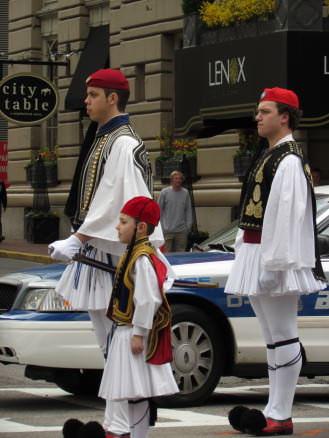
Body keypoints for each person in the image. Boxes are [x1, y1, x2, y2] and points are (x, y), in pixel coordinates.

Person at [48, 68, 164, 435]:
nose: (87, 101)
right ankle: (125, 425)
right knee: (112, 348)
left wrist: (79, 238)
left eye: (93, 94)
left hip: (114, 255)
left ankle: (122, 426)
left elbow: (125, 200)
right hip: (101, 251)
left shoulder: (123, 142)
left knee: (121, 348)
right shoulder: (105, 138)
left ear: (112, 98)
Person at [225, 87, 327, 436]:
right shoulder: (270, 156)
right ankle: (274, 408)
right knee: (272, 336)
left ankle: (280, 413)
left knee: (283, 334)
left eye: (265, 111)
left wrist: (276, 264)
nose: (258, 117)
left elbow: (287, 217)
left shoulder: (288, 160)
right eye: (258, 111)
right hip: (258, 254)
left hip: (272, 258)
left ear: (285, 117)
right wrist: (245, 250)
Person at [98, 196, 178, 438]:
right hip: (124, 330)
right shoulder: (133, 253)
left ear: (141, 227)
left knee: (138, 393)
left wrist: (139, 333)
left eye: (123, 222)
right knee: (133, 393)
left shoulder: (141, 257)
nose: (117, 227)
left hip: (132, 333)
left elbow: (147, 298)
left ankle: (138, 435)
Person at [158, 170, 193, 252]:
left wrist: (188, 226)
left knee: (181, 254)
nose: (178, 180)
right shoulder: (164, 192)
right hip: (167, 230)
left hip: (181, 231)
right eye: (175, 178)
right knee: (166, 254)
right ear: (171, 180)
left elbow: (188, 210)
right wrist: (161, 226)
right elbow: (158, 210)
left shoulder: (185, 193)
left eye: (180, 179)